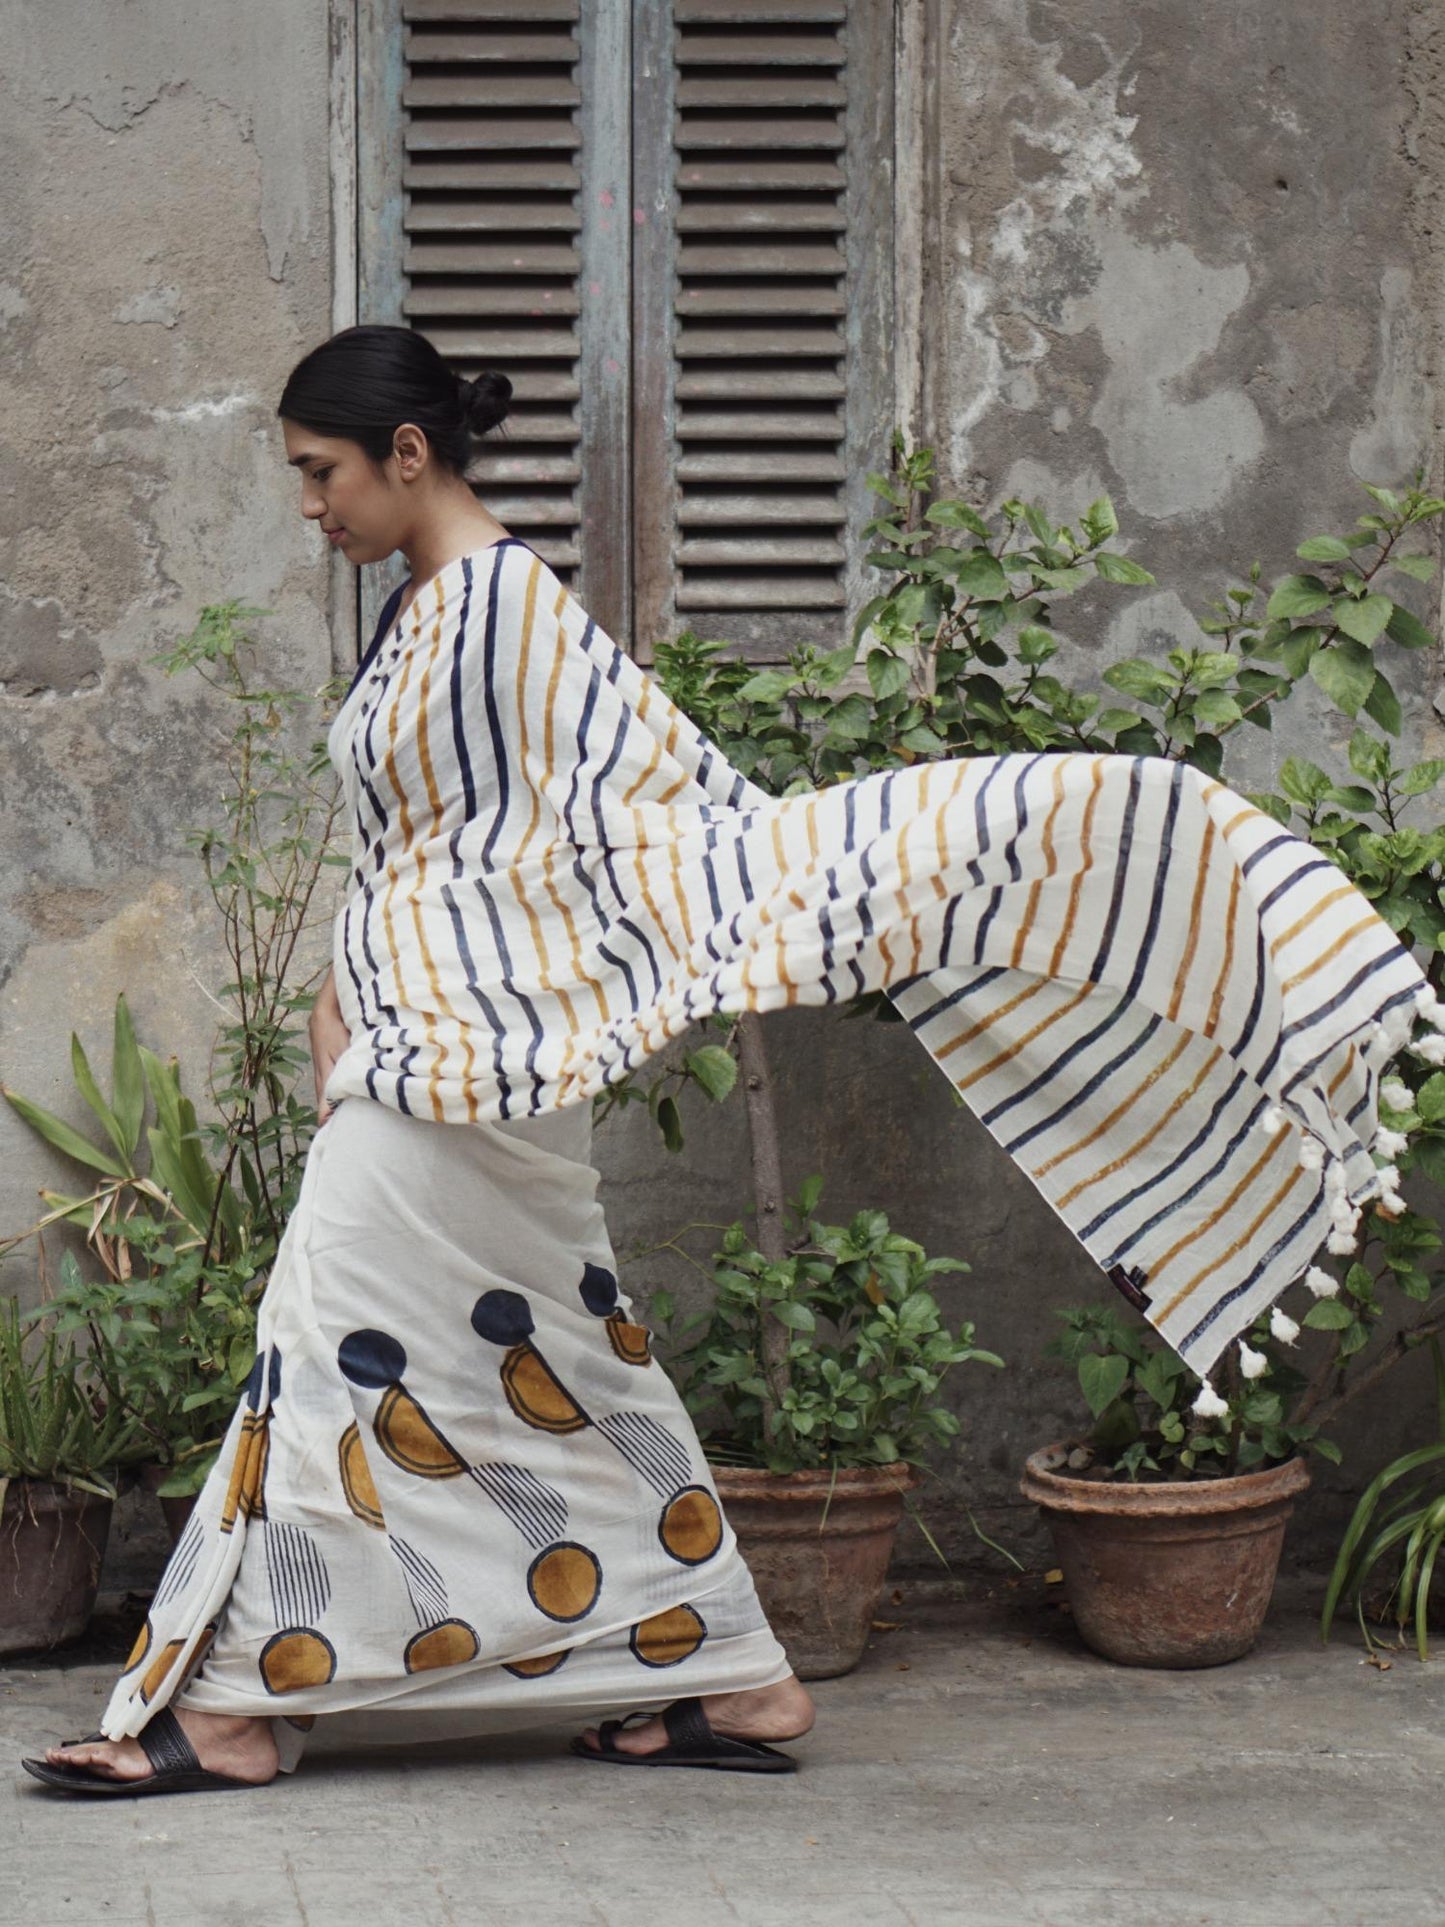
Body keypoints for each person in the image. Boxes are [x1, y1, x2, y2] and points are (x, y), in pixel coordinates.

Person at [22, 324, 1434, 1797]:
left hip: (451, 1077)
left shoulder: (507, 611)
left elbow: (637, 829)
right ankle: (738, 1676)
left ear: (408, 454)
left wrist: (411, 1002)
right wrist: (347, 982)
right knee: (555, 1363)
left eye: (320, 473)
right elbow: (444, 850)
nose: (309, 506)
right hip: (432, 1063)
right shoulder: (433, 608)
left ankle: (237, 1708)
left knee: (322, 1351)